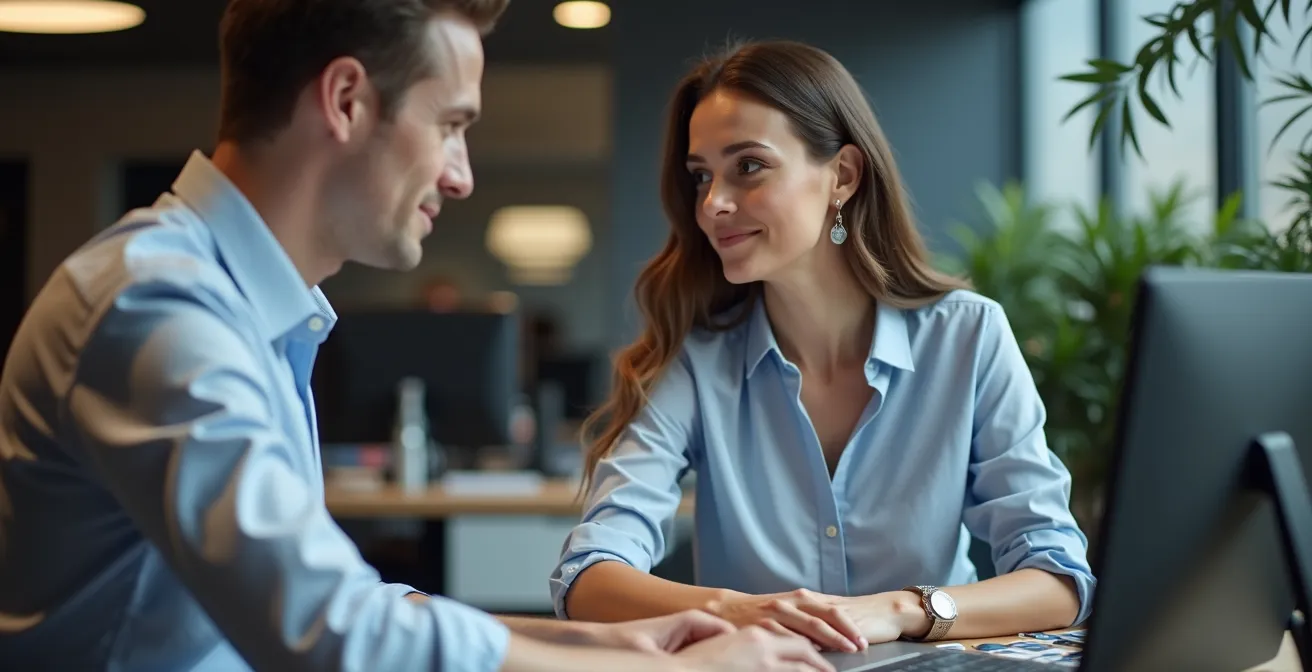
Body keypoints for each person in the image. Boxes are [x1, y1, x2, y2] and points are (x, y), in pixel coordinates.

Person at [0, 3, 834, 671]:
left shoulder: (253, 313)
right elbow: (330, 632)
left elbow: (357, 605)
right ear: (346, 100)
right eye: (451, 125)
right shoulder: (160, 305)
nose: (461, 173)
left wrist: (607, 641)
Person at [550, 39, 1097, 654]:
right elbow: (588, 574)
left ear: (842, 176)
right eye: (701, 175)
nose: (713, 204)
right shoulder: (697, 359)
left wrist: (900, 610)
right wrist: (742, 610)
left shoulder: (968, 337)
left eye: (748, 166)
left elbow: (1059, 581)